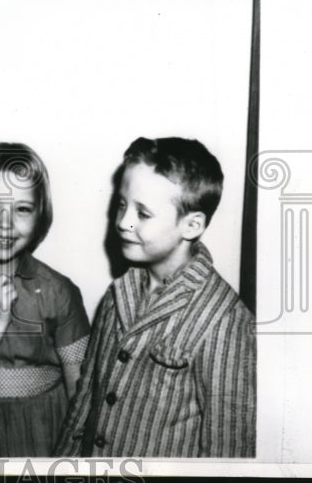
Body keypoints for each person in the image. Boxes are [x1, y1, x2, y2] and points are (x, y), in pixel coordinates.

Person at [57, 137, 256, 458]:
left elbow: (228, 450)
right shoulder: (118, 293)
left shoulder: (226, 322)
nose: (123, 222)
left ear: (191, 225)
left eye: (143, 213)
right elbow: (85, 400)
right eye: (122, 204)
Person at [0, 143, 89, 457]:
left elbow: (81, 389)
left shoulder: (57, 291)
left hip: (47, 433)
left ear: (39, 216)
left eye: (21, 209)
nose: (5, 223)